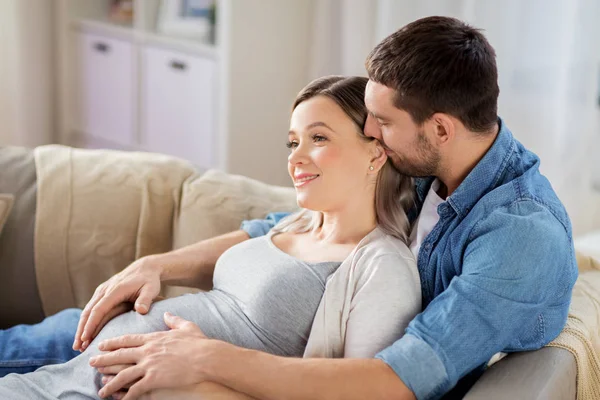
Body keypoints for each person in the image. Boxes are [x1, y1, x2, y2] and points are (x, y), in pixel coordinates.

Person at [69, 16, 577, 400]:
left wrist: (209, 359)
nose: (371, 133)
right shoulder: (431, 165)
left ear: (442, 128)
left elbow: (397, 378)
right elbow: (283, 224)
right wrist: (158, 264)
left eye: (382, 121)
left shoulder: (519, 240)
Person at [0, 76, 421, 399]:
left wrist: (203, 375)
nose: (295, 158)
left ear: (375, 152)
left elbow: (358, 389)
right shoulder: (295, 223)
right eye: (292, 142)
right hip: (76, 361)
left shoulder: (382, 266)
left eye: (318, 138)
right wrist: (153, 267)